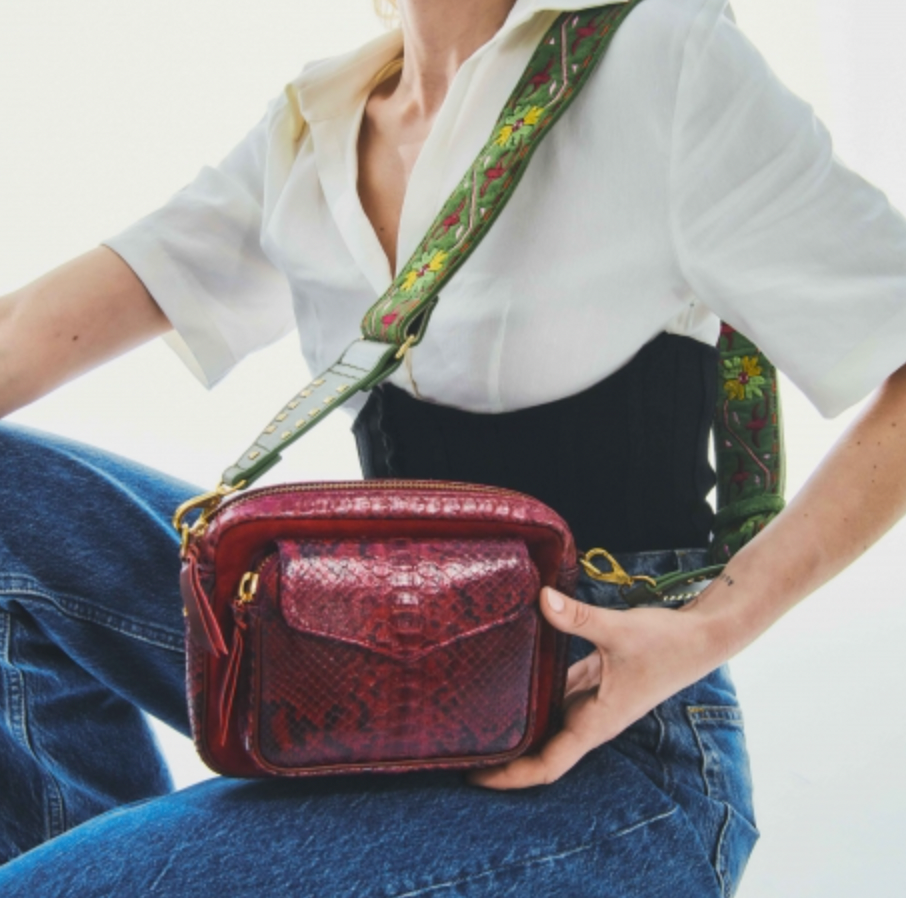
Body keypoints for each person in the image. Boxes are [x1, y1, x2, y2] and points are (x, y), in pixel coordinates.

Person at [1, 0, 905, 895]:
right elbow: (23, 332)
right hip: (368, 678)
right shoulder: (312, 128)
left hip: (607, 746)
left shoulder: (662, 56)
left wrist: (708, 628)